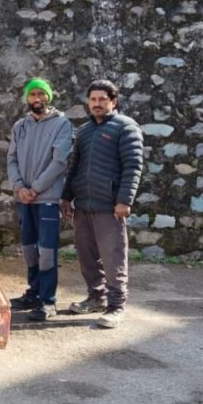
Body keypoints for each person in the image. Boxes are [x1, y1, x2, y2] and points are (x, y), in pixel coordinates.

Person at [62, 79, 144, 329]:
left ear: (113, 101)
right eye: (93, 99)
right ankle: (96, 297)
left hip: (110, 207)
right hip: (83, 206)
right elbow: (74, 166)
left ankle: (116, 306)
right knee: (87, 257)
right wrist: (66, 196)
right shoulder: (84, 131)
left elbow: (133, 166)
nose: (97, 104)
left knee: (113, 259)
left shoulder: (126, 127)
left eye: (102, 99)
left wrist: (124, 200)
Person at [7, 78, 73, 321]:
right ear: (27, 98)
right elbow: (11, 159)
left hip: (47, 198)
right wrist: (19, 187)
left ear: (48, 97)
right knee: (28, 249)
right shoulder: (20, 126)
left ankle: (48, 300)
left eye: (41, 94)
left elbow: (59, 161)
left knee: (46, 251)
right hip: (24, 199)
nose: (37, 98)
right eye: (33, 94)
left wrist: (34, 188)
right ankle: (33, 293)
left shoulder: (61, 124)